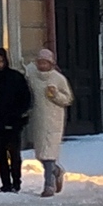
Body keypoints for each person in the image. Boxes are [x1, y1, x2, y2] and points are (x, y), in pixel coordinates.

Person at [0, 47, 33, 193]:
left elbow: (26, 98)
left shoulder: (16, 77)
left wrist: (19, 114)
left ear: (6, 61)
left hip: (14, 120)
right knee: (0, 154)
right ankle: (5, 183)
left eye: (0, 61)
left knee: (14, 153)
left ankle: (16, 182)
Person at [26, 48, 75, 197]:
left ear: (51, 63)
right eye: (40, 62)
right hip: (38, 118)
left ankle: (49, 186)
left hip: (54, 119)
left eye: (45, 63)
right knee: (40, 154)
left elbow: (68, 99)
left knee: (49, 154)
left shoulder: (58, 78)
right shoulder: (32, 76)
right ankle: (56, 171)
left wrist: (55, 95)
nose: (42, 65)